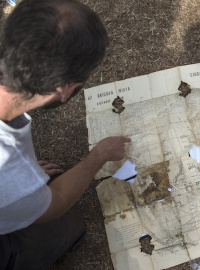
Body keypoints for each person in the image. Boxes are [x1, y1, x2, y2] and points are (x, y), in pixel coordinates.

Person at [0, 1, 130, 269]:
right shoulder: (12, 170)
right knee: (68, 224)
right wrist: (100, 155)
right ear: (67, 89)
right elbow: (52, 206)